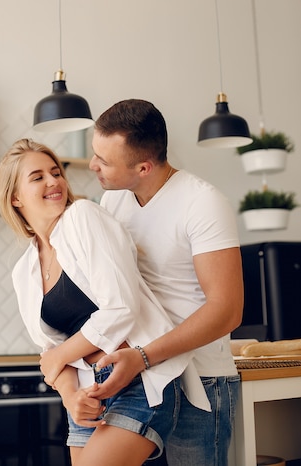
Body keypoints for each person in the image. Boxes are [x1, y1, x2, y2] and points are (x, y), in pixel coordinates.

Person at [0, 137, 209, 466]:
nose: (53, 181)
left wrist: (58, 358)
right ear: (15, 197)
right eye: (37, 177)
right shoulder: (23, 270)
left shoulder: (83, 217)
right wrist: (70, 397)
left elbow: (121, 307)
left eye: (56, 172)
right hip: (86, 394)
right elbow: (50, 350)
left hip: (139, 379)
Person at [88, 99, 244, 466]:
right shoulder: (112, 201)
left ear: (143, 167)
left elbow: (227, 310)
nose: (93, 165)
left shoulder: (202, 203)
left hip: (201, 379)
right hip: (141, 380)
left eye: (104, 161)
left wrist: (142, 357)